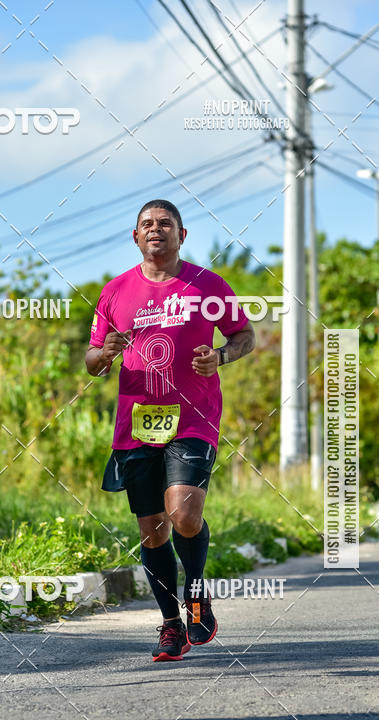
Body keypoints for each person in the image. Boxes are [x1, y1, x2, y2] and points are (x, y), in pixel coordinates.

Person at [85, 199, 255, 662]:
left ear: (183, 234)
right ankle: (170, 625)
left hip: (194, 418)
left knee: (182, 514)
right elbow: (92, 359)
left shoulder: (208, 285)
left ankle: (197, 592)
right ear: (135, 236)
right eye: (147, 224)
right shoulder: (115, 292)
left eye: (165, 224)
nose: (156, 230)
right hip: (136, 423)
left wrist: (219, 357)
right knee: (152, 531)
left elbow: (244, 336)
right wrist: (106, 355)